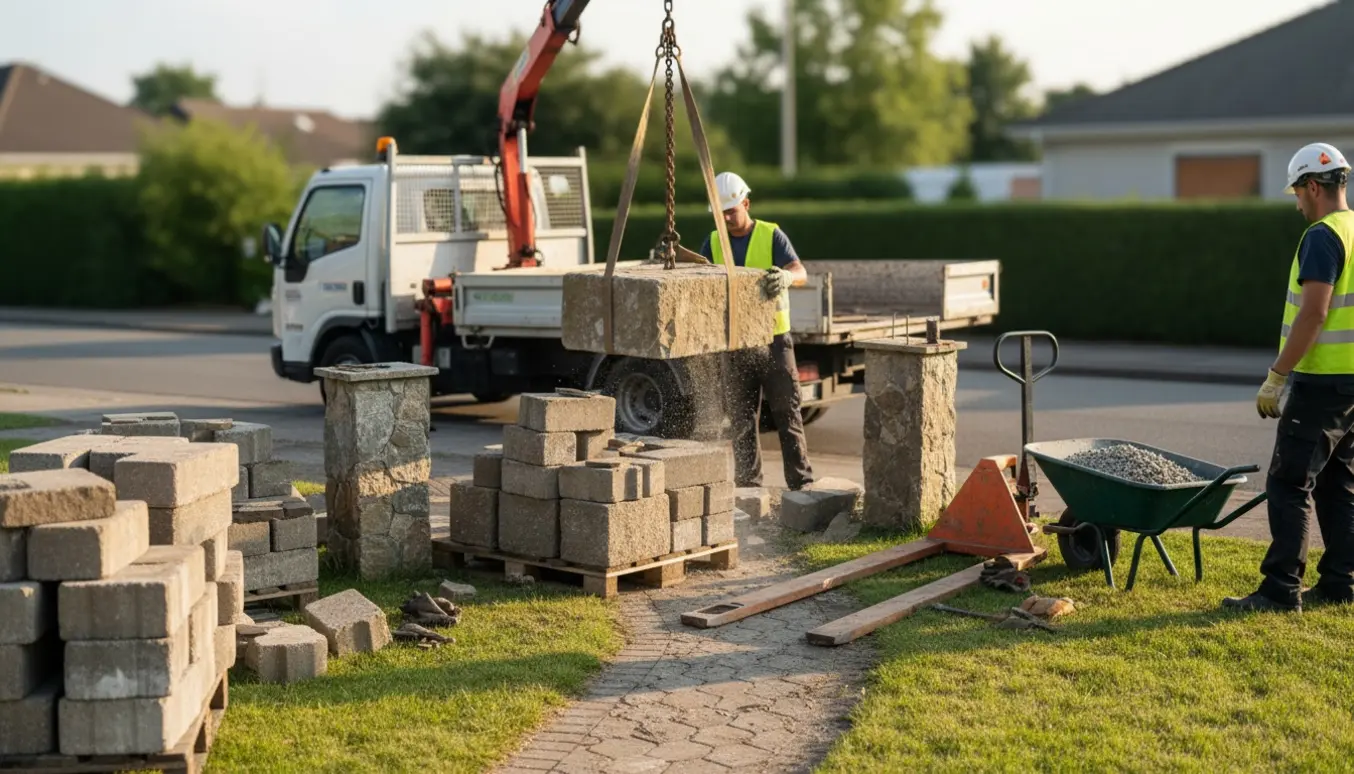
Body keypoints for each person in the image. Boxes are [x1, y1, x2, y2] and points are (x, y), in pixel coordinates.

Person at [1224, 142, 1354, 612]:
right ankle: (1342, 582)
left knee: (1288, 482)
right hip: (1352, 386)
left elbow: (1314, 313)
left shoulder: (1322, 235)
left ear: (1313, 187)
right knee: (1340, 482)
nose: (1297, 202)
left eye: (1298, 192)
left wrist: (1277, 375)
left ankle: (1280, 590)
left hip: (1322, 382)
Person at [699, 171, 815, 491]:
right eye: (720, 213)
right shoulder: (711, 242)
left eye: (731, 211)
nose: (725, 218)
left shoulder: (770, 234)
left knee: (787, 413)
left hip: (774, 339)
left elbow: (799, 270)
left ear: (745, 203)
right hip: (736, 342)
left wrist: (788, 278)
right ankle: (748, 487)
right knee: (741, 419)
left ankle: (801, 484)